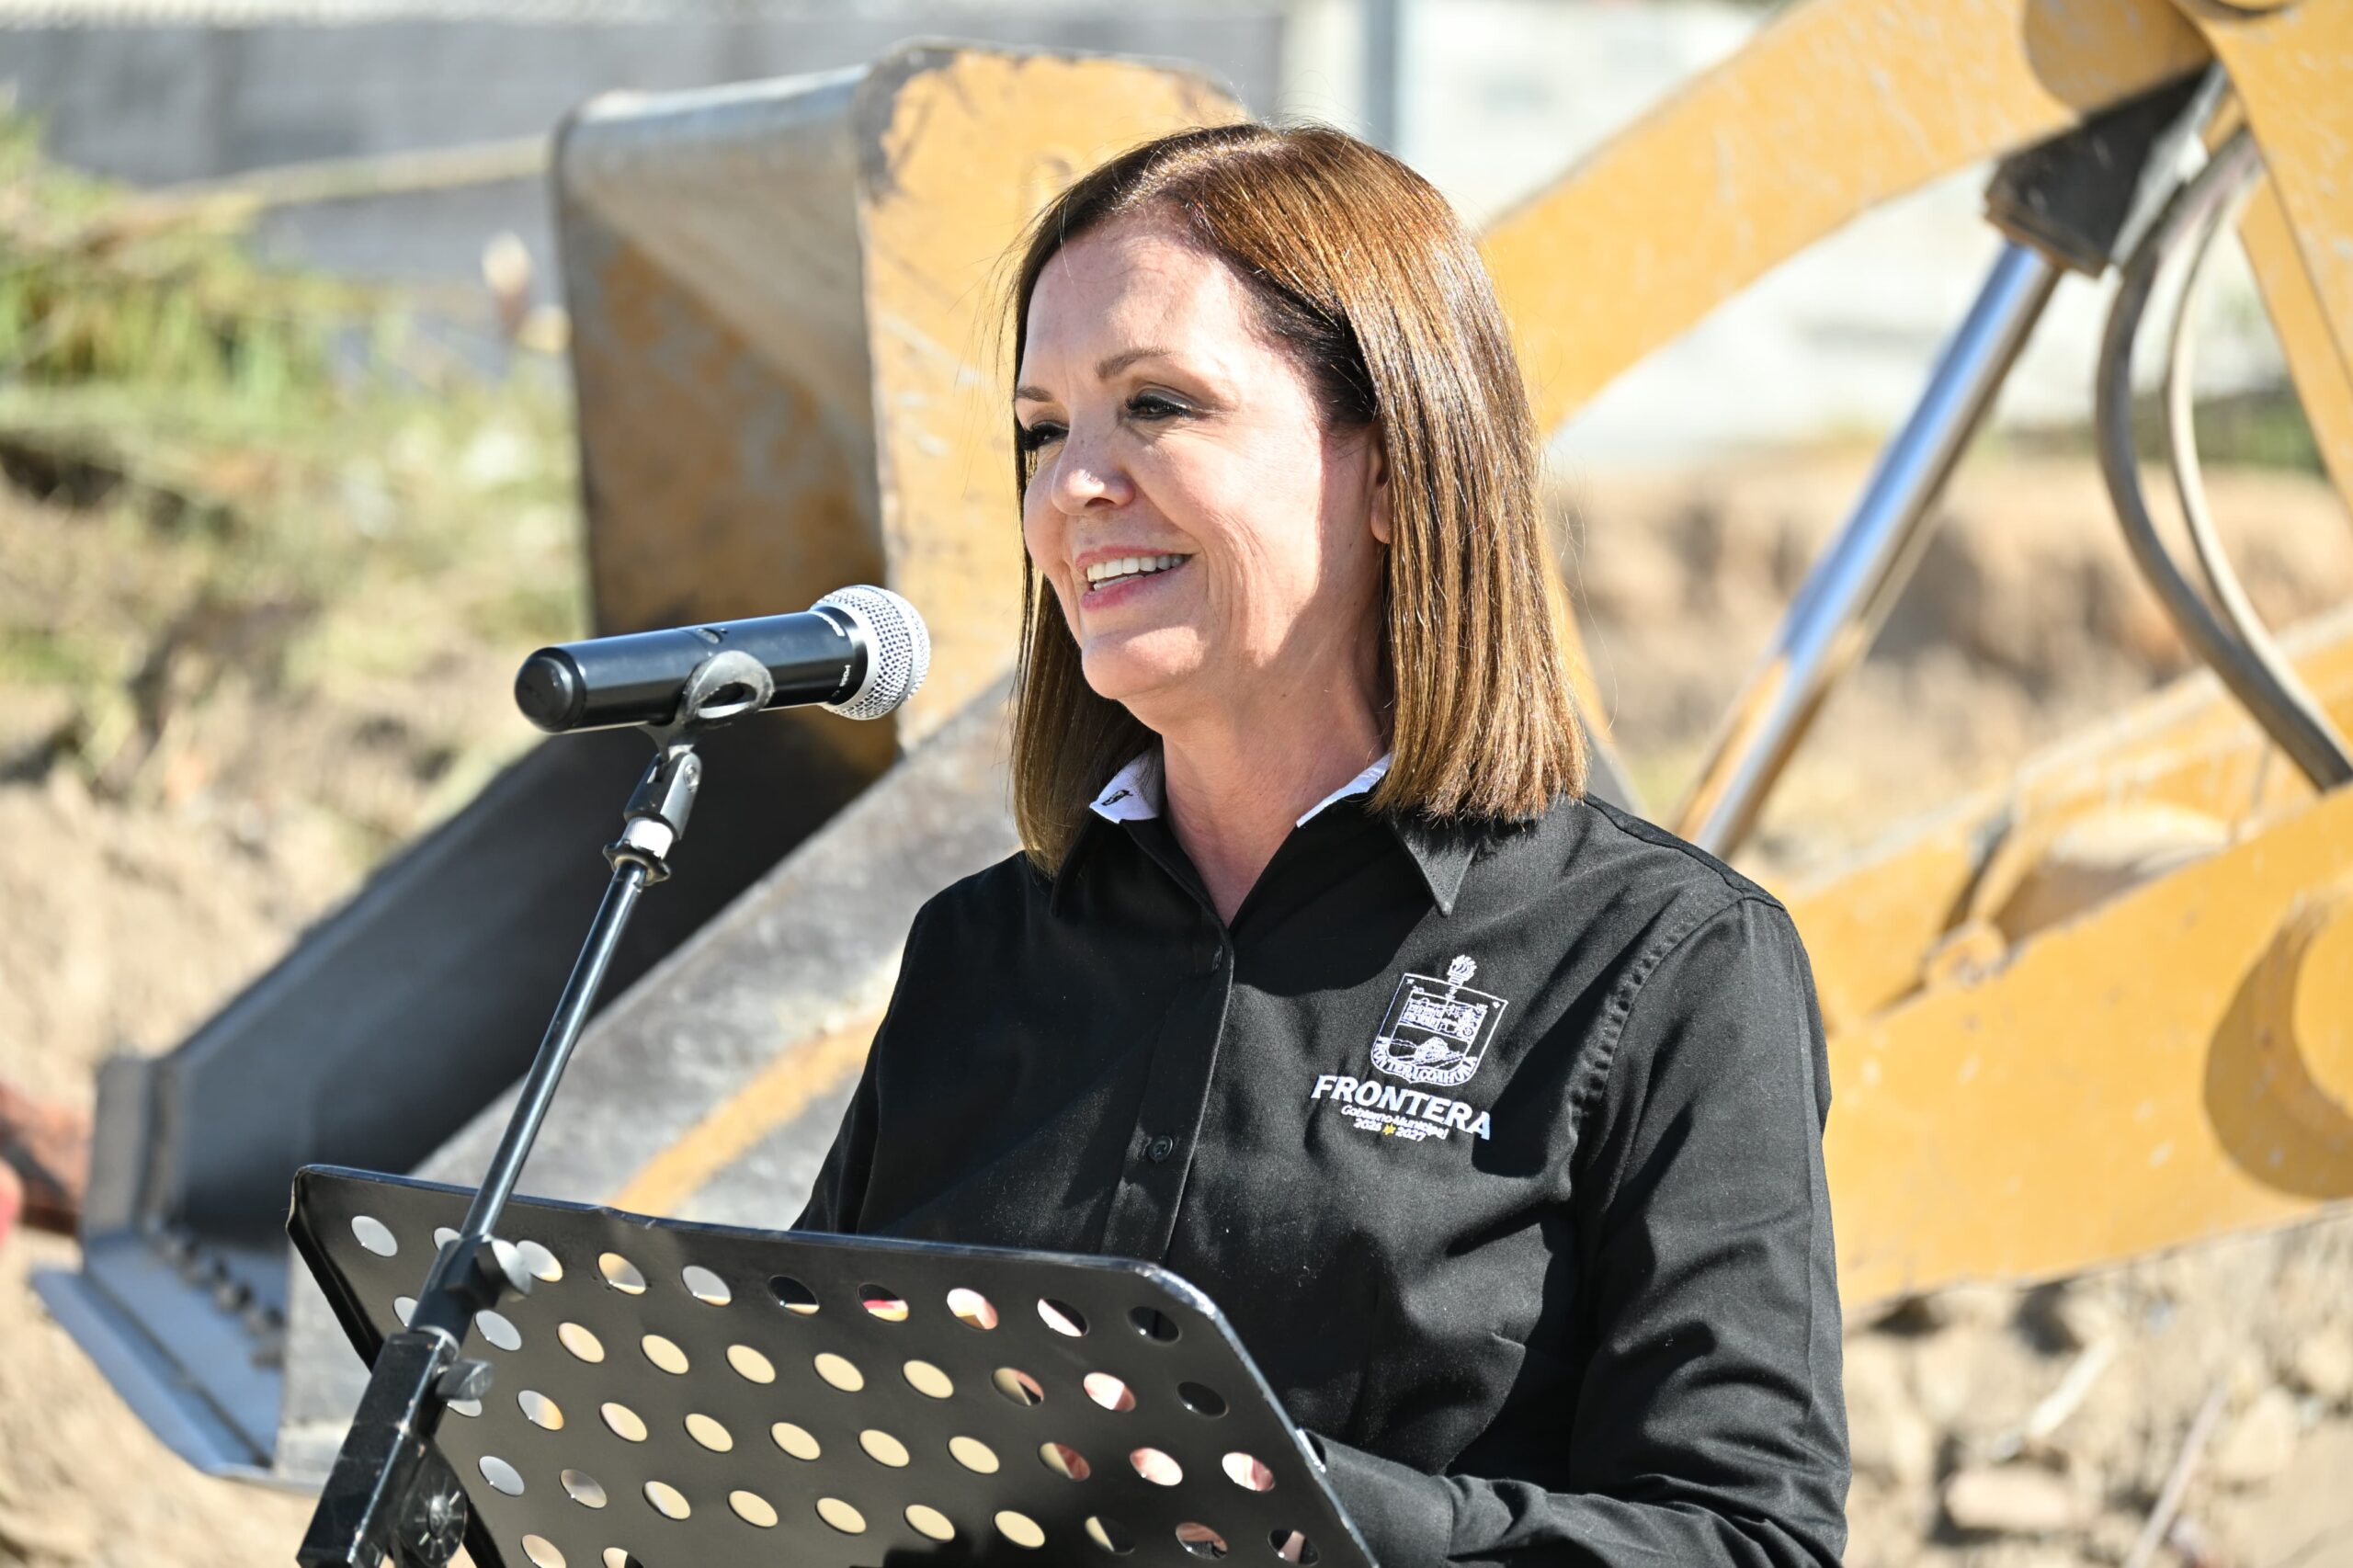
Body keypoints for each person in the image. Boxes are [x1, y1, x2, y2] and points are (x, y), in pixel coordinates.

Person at [796, 121, 1847, 1566]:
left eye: (1155, 404)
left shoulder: (1670, 967)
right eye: (1042, 429)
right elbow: (799, 1442)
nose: (1071, 487)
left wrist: (1276, 1492)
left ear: (1400, 471)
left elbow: (1747, 1541)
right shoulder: (976, 951)